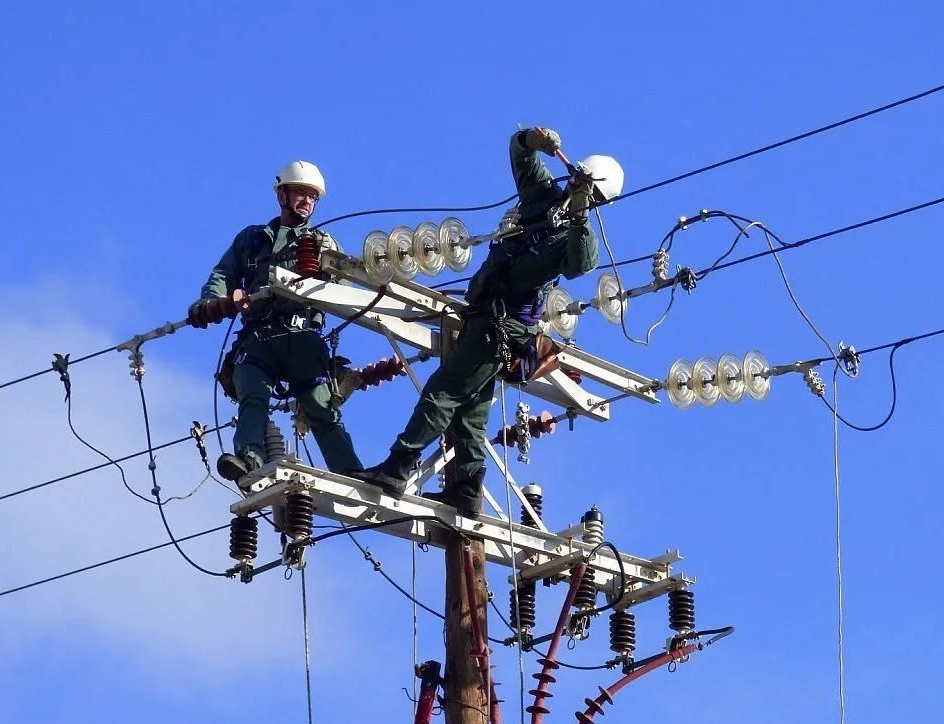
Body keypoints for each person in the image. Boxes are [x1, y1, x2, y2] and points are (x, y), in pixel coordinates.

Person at [355, 126, 624, 517]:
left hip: (503, 327)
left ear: (597, 200)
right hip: (484, 315)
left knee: (444, 391)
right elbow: (520, 153)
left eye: (588, 191)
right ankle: (466, 491)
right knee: (470, 409)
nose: (577, 189)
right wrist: (533, 139)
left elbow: (580, 265)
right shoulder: (540, 196)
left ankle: (398, 467)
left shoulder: (578, 236)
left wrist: (581, 216)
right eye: (577, 182)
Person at [188, 160, 364, 484]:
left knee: (321, 408)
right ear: (281, 195)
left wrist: (333, 265)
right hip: (260, 336)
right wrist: (210, 302)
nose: (307, 201)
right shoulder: (254, 239)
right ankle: (249, 459)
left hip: (302, 336)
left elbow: (345, 290)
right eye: (300, 193)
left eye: (312, 196)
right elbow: (224, 274)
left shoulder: (322, 242)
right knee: (252, 394)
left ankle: (351, 472)